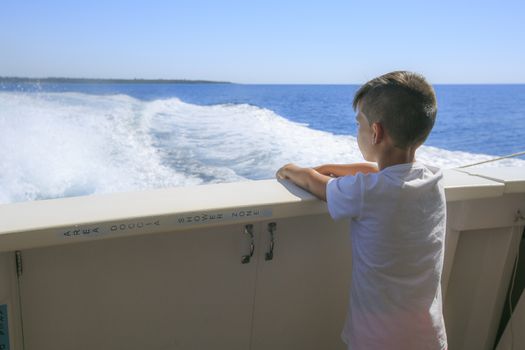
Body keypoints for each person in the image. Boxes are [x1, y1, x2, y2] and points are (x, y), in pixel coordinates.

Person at [276, 71, 448, 350]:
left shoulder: (367, 193)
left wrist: (291, 169)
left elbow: (312, 183)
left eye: (359, 124)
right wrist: (333, 166)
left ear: (376, 132)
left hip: (378, 340)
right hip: (428, 337)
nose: (358, 131)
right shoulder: (433, 179)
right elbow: (378, 171)